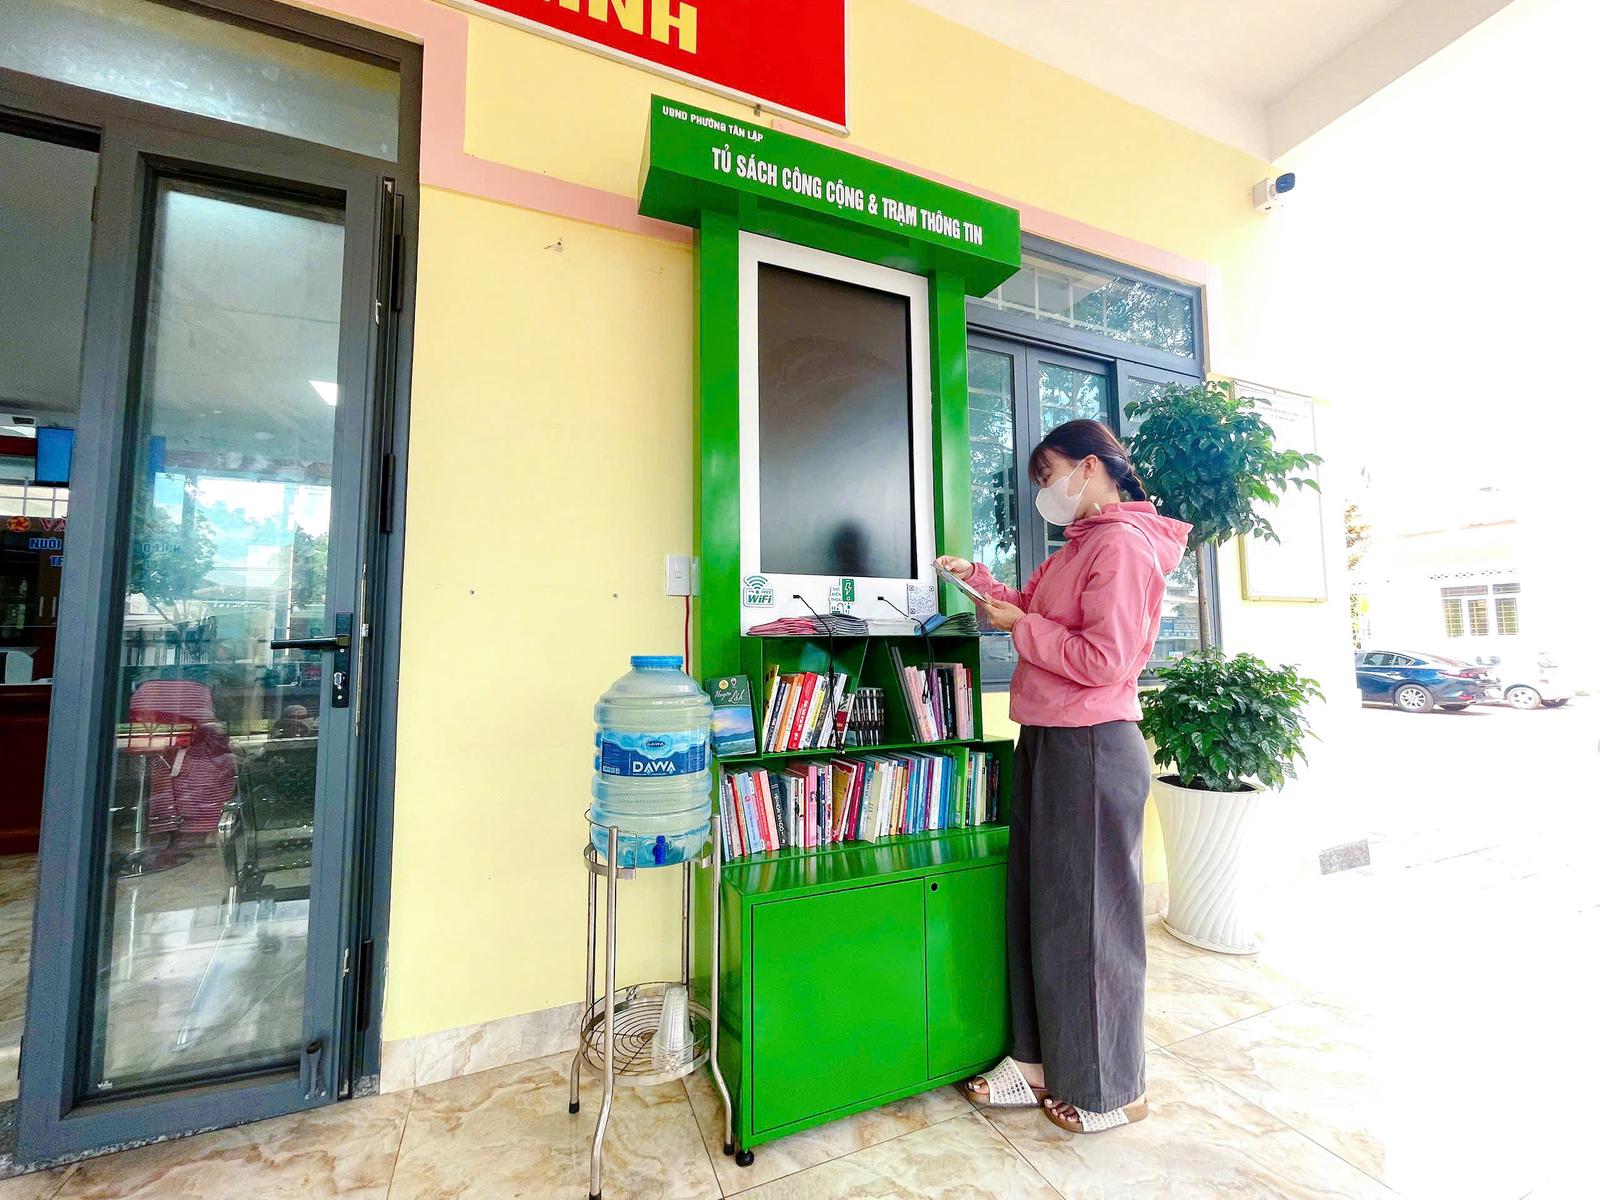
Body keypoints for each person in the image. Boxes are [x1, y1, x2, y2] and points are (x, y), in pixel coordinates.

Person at [937, 418, 1190, 1135]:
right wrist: (976, 582)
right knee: (1041, 907)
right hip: (1050, 736)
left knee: (1091, 920)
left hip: (1093, 745)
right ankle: (1038, 1063)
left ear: (1090, 466)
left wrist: (1019, 626)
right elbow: (1029, 612)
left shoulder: (1123, 544)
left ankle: (1110, 1090)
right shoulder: (1077, 547)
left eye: (1047, 474)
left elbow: (1105, 660)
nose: (1044, 490)